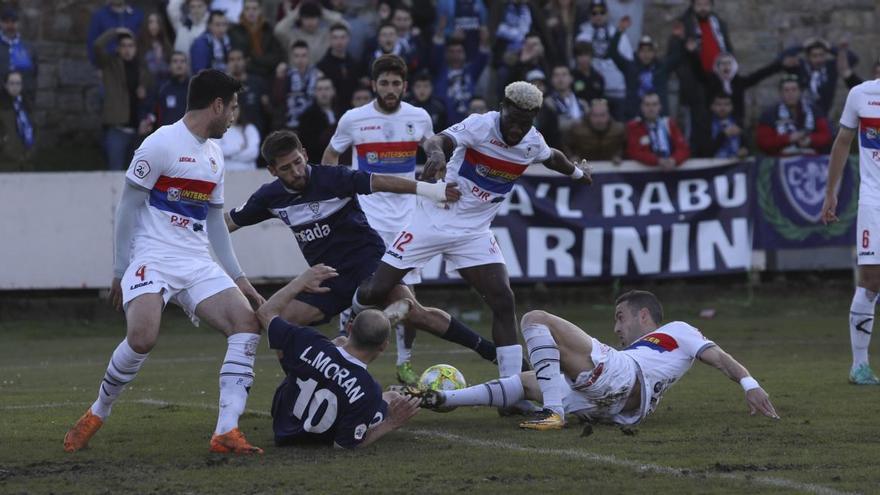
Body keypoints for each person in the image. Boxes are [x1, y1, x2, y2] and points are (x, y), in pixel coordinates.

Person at [63, 69, 267, 455]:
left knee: (246, 323)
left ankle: (227, 430)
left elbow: (214, 222)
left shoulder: (214, 154)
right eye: (233, 108)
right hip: (152, 255)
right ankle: (97, 412)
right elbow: (127, 207)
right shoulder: (160, 144)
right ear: (217, 105)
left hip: (194, 259)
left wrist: (239, 279)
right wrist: (120, 269)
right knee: (142, 337)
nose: (235, 117)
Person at [352, 81, 592, 391]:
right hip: (434, 219)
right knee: (376, 290)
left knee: (504, 300)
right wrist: (436, 158)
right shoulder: (480, 125)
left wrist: (576, 173)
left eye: (525, 122)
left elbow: (552, 157)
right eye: (513, 119)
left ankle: (511, 389)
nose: (517, 129)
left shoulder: (531, 141)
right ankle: (351, 316)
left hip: (473, 233)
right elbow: (438, 140)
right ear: (502, 108)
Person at [227, 130, 499, 380]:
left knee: (415, 313)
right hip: (328, 276)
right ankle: (298, 388)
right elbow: (227, 223)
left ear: (305, 155)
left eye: (298, 162)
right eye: (286, 168)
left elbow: (379, 182)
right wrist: (189, 229)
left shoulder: (333, 178)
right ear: (272, 170)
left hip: (367, 263)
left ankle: (489, 350)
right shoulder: (270, 197)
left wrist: (428, 189)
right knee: (282, 323)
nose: (296, 172)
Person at [410, 290, 780, 430]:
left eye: (621, 317)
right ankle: (442, 399)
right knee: (527, 381)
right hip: (613, 409)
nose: (616, 325)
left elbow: (719, 357)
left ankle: (553, 411)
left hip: (625, 377)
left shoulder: (677, 329)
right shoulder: (641, 349)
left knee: (535, 319)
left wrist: (750, 384)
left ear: (644, 316)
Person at [321, 55, 436, 384]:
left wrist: (435, 168)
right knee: (358, 289)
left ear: (404, 86)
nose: (389, 89)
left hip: (406, 220)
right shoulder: (354, 119)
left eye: (395, 84)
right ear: (374, 85)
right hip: (366, 216)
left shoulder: (419, 117)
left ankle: (404, 362)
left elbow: (434, 151)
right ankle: (346, 355)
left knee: (408, 296)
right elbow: (331, 155)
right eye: (383, 83)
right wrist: (335, 192)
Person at [256, 264, 421, 448]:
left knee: (313, 351)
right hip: (316, 440)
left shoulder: (310, 340)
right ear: (383, 347)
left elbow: (265, 312)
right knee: (389, 397)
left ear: (350, 328)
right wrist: (391, 423)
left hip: (282, 428)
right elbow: (344, 445)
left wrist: (300, 281)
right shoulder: (369, 389)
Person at [821, 76, 880, 385]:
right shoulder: (861, 95)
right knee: (870, 281)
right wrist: (831, 192)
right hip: (874, 201)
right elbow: (842, 142)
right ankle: (859, 366)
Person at [93, 27, 153, 170]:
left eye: (130, 46)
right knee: (115, 173)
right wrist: (115, 31)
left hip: (138, 130)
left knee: (137, 176)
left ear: (136, 48)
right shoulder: (110, 64)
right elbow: (97, 46)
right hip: (117, 129)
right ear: (118, 48)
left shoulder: (142, 68)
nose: (127, 50)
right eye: (123, 46)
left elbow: (151, 98)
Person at [574, 0, 632, 121]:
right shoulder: (582, 36)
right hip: (592, 92)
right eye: (594, 13)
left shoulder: (619, 35)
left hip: (617, 90)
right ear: (590, 15)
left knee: (618, 128)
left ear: (607, 14)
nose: (598, 16)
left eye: (602, 12)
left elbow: (628, 62)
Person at [756, 75, 831, 156]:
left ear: (800, 92)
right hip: (781, 160)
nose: (790, 94)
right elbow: (763, 142)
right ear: (780, 93)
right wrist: (788, 139)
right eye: (786, 90)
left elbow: (826, 135)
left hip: (811, 158)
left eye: (794, 90)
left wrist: (810, 140)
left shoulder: (814, 111)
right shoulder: (770, 114)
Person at [429, 33, 490, 125]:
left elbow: (483, 56)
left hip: (469, 121)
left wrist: (484, 40)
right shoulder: (439, 70)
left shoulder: (471, 71)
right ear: (446, 54)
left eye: (459, 51)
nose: (455, 55)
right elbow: (437, 49)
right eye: (452, 51)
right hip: (444, 121)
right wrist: (440, 31)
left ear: (465, 54)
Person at [625, 92, 689, 169]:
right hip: (645, 173)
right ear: (642, 107)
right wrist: (657, 161)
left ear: (660, 106)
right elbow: (634, 152)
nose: (651, 108)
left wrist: (674, 160)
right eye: (647, 105)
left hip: (671, 170)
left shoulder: (669, 124)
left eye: (654, 104)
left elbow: (683, 148)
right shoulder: (634, 126)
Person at [228, 0, 284, 79]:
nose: (251, 12)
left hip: (269, 74)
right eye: (247, 9)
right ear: (243, 11)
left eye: (254, 9)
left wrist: (254, 58)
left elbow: (276, 56)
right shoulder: (235, 32)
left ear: (260, 10)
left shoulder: (267, 29)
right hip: (248, 76)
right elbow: (242, 61)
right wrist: (265, 62)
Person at [272, 40, 321, 130]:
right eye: (296, 56)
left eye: (303, 55)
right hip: (289, 123)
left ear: (308, 56)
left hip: (313, 122)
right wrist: (279, 78)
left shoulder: (317, 75)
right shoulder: (285, 75)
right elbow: (277, 99)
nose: (300, 59)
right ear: (291, 57)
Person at [317, 23, 363, 112]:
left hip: (353, 110)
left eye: (342, 37)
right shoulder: (321, 66)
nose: (339, 41)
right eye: (335, 37)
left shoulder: (355, 64)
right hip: (332, 111)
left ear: (348, 39)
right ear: (329, 40)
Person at [564, 98, 625, 163]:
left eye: (602, 115)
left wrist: (619, 156)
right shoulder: (576, 129)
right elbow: (566, 146)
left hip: (612, 169)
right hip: (583, 168)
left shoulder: (619, 129)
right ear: (589, 115)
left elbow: (624, 147)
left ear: (608, 115)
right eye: (595, 115)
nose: (599, 120)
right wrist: (571, 157)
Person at [226, 48, 271, 135]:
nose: (236, 63)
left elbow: (268, 112)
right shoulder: (223, 85)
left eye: (239, 59)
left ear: (246, 61)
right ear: (227, 63)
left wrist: (267, 104)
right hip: (231, 136)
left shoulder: (258, 82)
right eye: (232, 60)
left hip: (257, 133)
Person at [88, 0, 144, 68]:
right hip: (109, 67)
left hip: (133, 66)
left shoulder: (137, 15)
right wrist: (97, 67)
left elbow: (143, 42)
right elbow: (92, 44)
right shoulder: (99, 16)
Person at [0, 7, 38, 103]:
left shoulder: (28, 47)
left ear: (18, 24)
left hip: (24, 102)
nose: (10, 25)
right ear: (1, 23)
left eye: (13, 22)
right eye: (6, 22)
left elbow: (34, 72)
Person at [0, 71, 34, 171]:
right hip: (5, 164)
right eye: (12, 83)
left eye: (18, 83)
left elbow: (34, 130)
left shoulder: (26, 105)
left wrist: (31, 153)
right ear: (6, 85)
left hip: (26, 163)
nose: (15, 87)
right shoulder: (2, 107)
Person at [147, 51, 190, 129]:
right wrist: (148, 122)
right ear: (169, 66)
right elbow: (151, 109)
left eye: (182, 61)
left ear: (187, 66)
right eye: (175, 61)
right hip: (166, 135)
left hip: (188, 134)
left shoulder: (193, 88)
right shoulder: (161, 87)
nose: (179, 64)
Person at [298, 77, 338, 157]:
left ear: (333, 91)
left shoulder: (341, 113)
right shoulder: (307, 117)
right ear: (315, 92)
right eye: (320, 89)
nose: (323, 93)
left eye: (327, 89)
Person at [548, 65, 588, 133]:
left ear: (571, 78)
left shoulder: (582, 103)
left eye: (564, 75)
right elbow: (553, 126)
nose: (560, 79)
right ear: (552, 80)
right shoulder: (547, 103)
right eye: (556, 75)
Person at [705, 92, 746, 159]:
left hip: (736, 163)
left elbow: (746, 146)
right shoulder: (705, 124)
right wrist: (723, 135)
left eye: (727, 104)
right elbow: (705, 152)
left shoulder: (738, 123)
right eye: (718, 104)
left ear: (732, 107)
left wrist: (744, 151)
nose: (723, 108)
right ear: (712, 107)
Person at [218, 106, 260, 170]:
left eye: (235, 108)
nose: (233, 112)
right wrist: (239, 148)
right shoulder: (217, 130)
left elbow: (253, 153)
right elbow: (218, 151)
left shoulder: (249, 128)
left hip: (249, 173)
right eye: (230, 108)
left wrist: (231, 156)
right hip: (226, 173)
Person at [136, 12, 173, 84]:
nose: (154, 25)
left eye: (157, 22)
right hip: (147, 84)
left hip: (165, 82)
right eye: (151, 22)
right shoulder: (139, 44)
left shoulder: (166, 44)